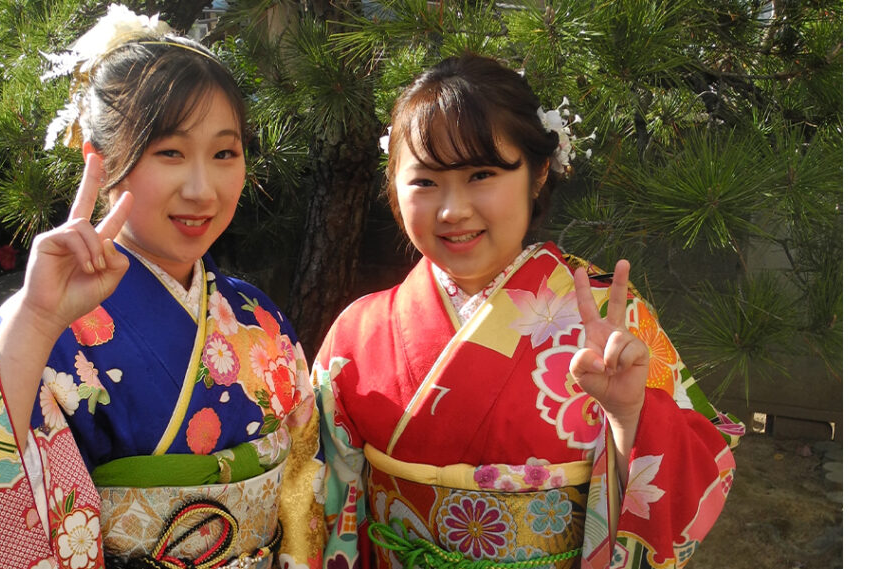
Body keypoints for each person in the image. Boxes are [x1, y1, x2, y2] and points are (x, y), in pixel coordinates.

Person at [0, 6, 323, 569]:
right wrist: (37, 319)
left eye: (224, 153)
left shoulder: (257, 316)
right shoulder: (45, 319)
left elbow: (304, 478)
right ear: (103, 160)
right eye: (169, 152)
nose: (202, 189)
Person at [314, 54, 744, 569]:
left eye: (481, 174)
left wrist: (630, 416)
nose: (452, 210)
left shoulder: (613, 323)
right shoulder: (356, 333)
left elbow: (698, 470)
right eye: (425, 181)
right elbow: (320, 500)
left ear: (539, 174)